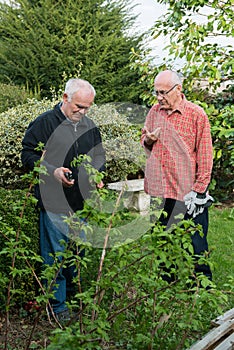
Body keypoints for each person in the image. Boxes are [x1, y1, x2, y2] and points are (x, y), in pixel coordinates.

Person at [21, 78, 106, 322]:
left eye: (87, 107)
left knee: (74, 258)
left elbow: (99, 156)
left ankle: (72, 301)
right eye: (78, 106)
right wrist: (51, 170)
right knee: (55, 258)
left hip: (81, 205)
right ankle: (57, 310)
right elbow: (27, 155)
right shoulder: (44, 123)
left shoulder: (89, 126)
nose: (82, 112)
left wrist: (97, 174)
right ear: (65, 98)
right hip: (54, 204)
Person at [141, 70, 214, 282]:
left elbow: (205, 155)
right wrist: (149, 141)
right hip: (160, 191)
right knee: (163, 239)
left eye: (163, 92)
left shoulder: (196, 114)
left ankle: (202, 285)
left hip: (187, 193)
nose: (158, 97)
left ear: (178, 89)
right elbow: (143, 146)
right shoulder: (154, 112)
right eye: (156, 92)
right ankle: (167, 285)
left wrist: (199, 191)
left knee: (196, 241)